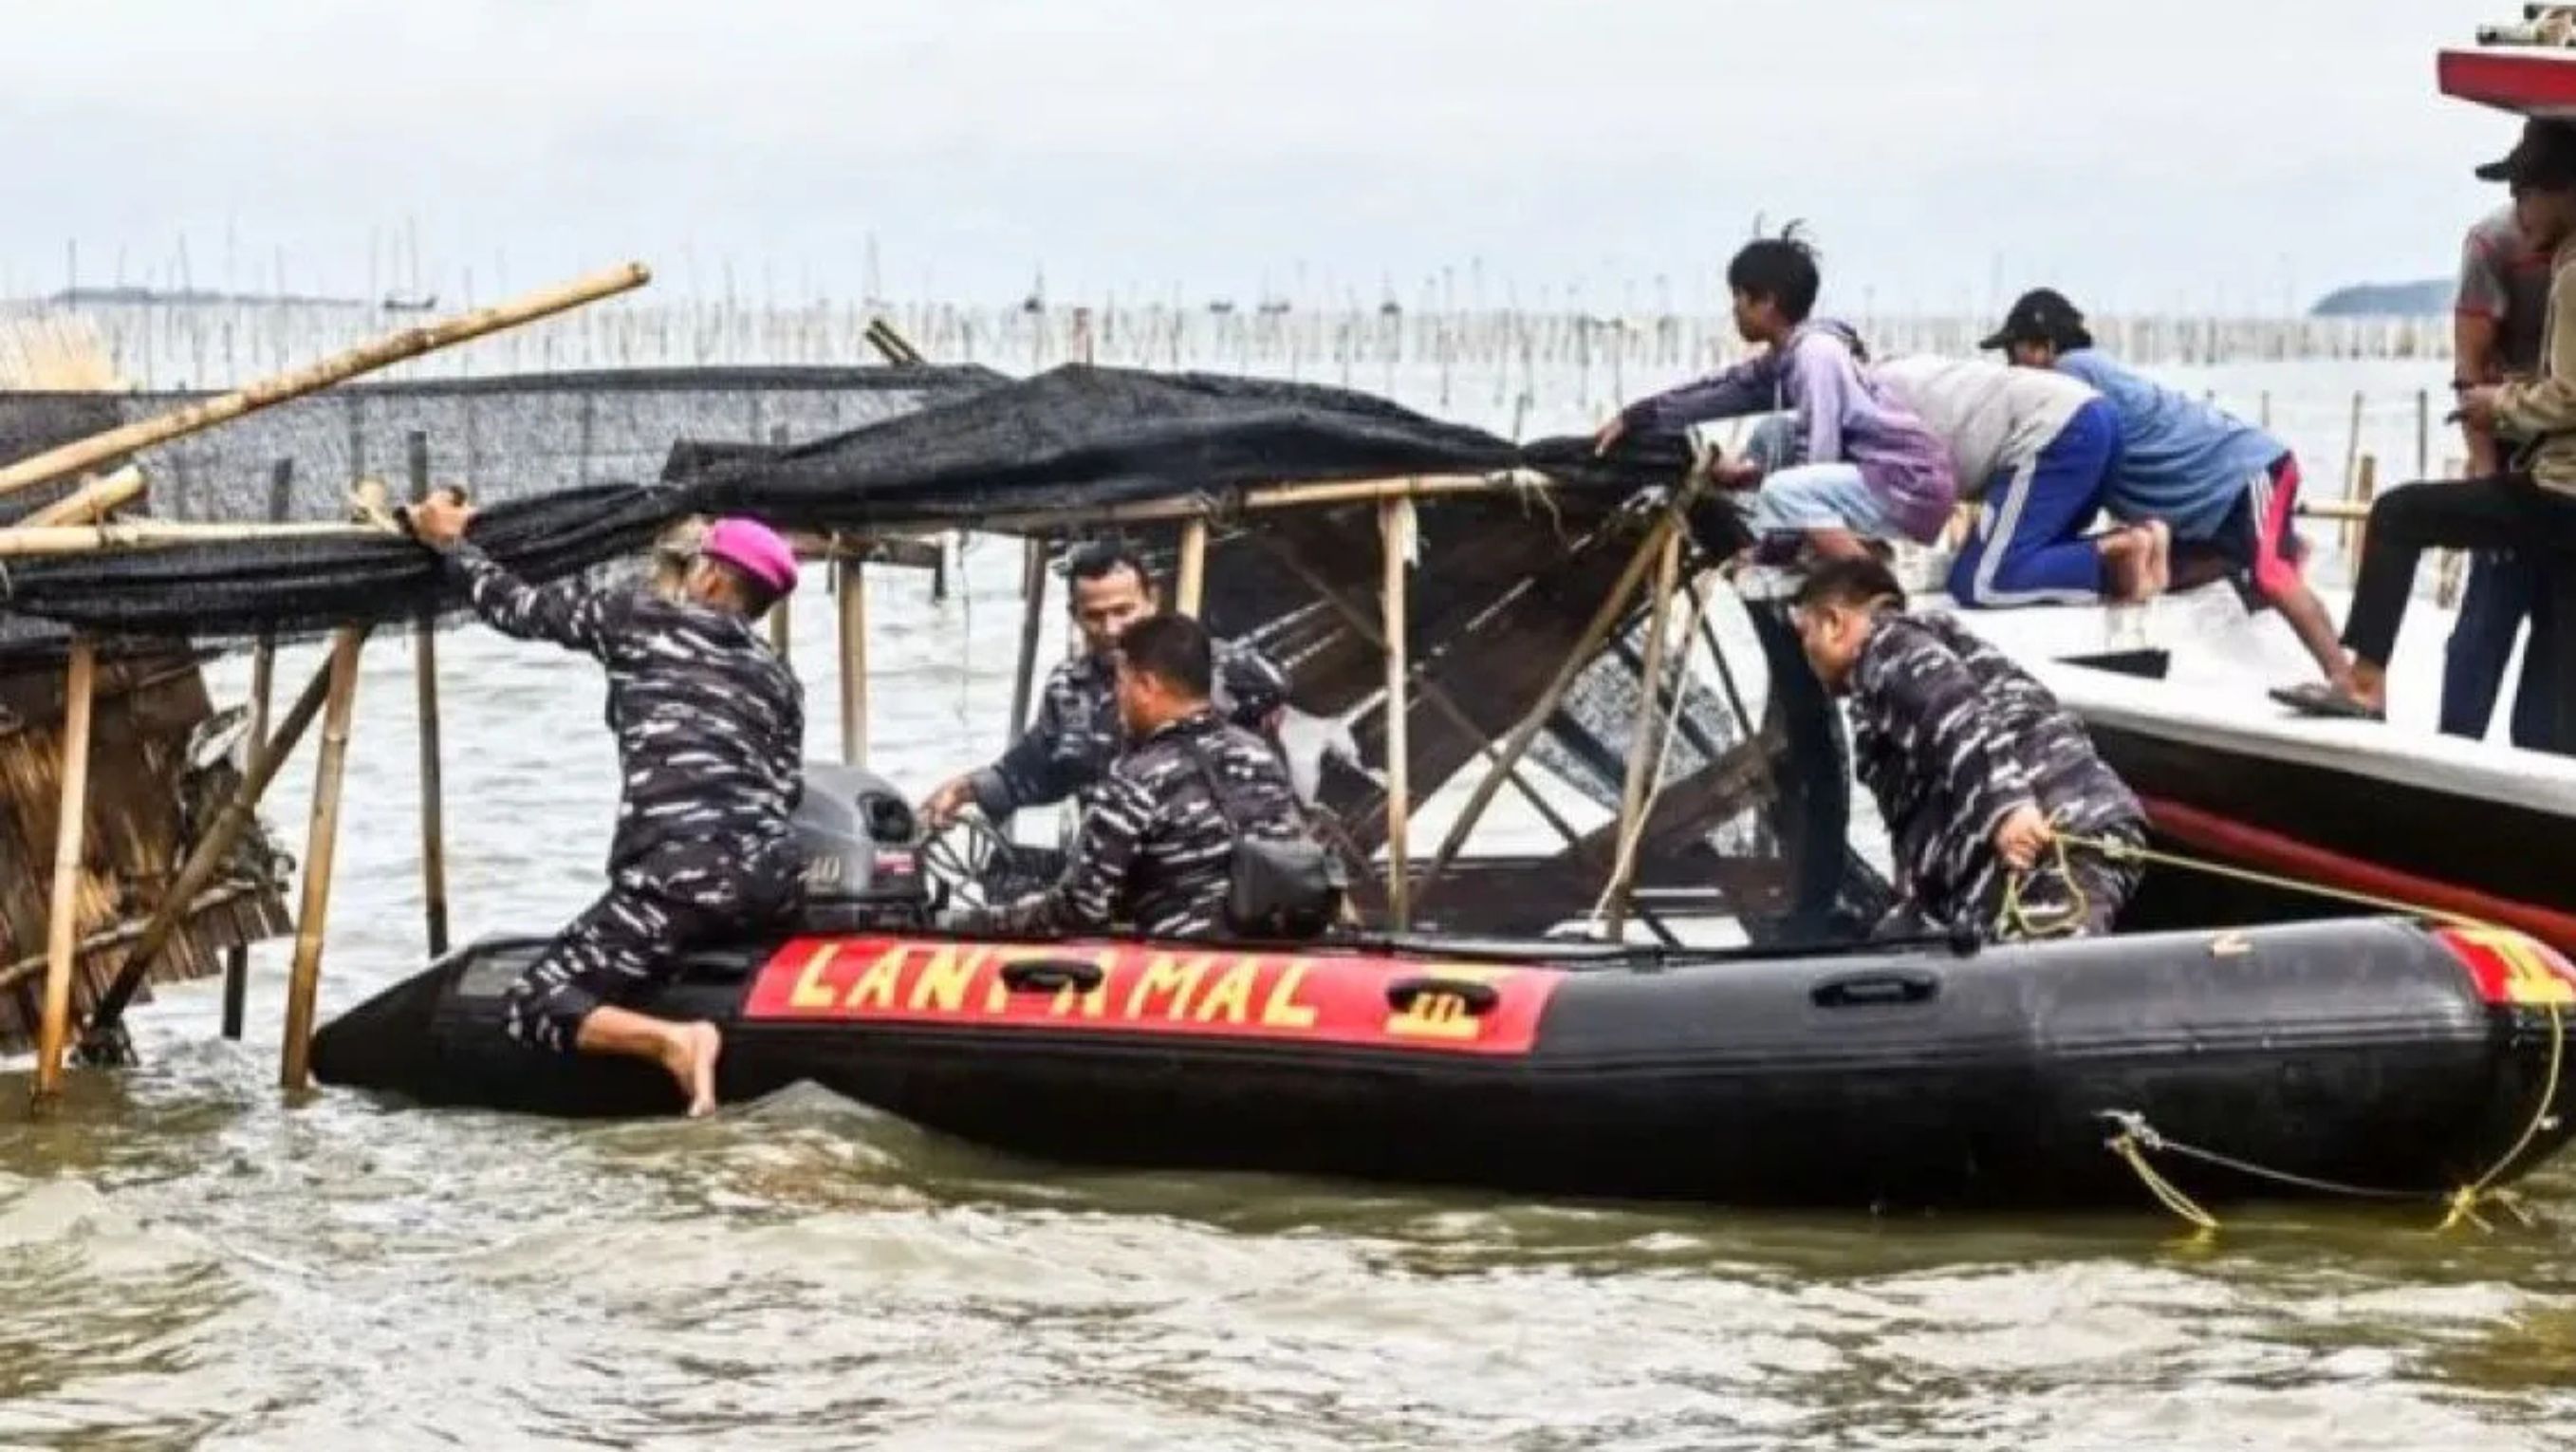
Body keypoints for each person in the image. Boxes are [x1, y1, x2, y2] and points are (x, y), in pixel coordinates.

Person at [408, 500, 806, 1117]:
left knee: (538, 1003)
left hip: (677, 880)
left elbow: (518, 608)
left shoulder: (639, 618)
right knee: (689, 924)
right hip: (771, 883)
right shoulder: (780, 678)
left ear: (711, 579)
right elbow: (786, 791)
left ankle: (677, 1040)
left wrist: (450, 546)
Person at [2275, 121, 2576, 737]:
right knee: (2555, 684)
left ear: (2560, 190)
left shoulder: (2570, 273)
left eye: (2524, 192)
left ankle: (2363, 684)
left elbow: (2570, 395)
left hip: (2560, 493)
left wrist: (2500, 406)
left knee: (2398, 515)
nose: (2516, 210)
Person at [1982, 289, 2355, 694]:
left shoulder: (2067, 377)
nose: (2010, 368)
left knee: (2269, 573)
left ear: (2044, 347)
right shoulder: (2089, 372)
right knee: (2164, 574)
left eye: (2014, 353)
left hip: (2246, 471)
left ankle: (2344, 680)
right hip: (2210, 500)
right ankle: (2263, 553)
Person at [1793, 556, 2146, 940]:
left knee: (2038, 980)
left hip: (2054, 836)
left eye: (1805, 634)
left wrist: (2008, 810)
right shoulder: (1886, 675)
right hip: (2008, 863)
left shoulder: (1887, 645)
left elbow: (1956, 713)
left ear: (1834, 622)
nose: (1804, 652)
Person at [963, 613, 1329, 940]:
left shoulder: (1135, 778)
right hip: (1275, 957)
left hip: (1182, 971)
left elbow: (1081, 909)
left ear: (1147, 687)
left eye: (1121, 684)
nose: (1117, 698)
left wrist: (981, 924)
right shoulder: (1259, 755)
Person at [1594, 228, 1955, 559]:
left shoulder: (1817, 354)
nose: (1733, 308)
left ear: (1766, 301)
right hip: (1878, 479)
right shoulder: (1787, 356)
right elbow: (1724, 389)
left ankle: (1871, 588)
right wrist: (1638, 416)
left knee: (1784, 492)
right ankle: (1826, 550)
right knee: (1774, 434)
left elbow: (1819, 454)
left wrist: (1771, 551)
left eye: (1738, 296)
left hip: (1908, 486)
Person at [920, 541, 1289, 829]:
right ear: (1074, 615)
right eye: (1094, 617)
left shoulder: (1212, 667)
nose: (1111, 630)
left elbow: (1276, 694)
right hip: (1113, 866)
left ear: (1151, 601)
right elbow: (1036, 770)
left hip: (1211, 869)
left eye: (1123, 611)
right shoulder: (1069, 689)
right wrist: (964, 789)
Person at [1871, 354, 2168, 606]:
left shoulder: (1857, 402)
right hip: (2094, 415)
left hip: (2054, 431)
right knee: (2041, 550)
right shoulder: (1889, 374)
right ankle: (2141, 540)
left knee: (1979, 582)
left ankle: (2118, 552)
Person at [2443, 185, 2559, 749]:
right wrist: (2486, 473)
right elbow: (2470, 370)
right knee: (2490, 612)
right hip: (2513, 452)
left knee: (2562, 631)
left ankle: (2543, 769)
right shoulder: (2495, 242)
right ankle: (2453, 751)